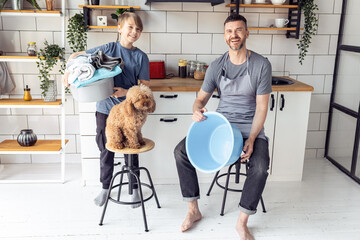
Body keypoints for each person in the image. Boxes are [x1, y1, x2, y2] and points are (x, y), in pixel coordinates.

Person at [174, 14, 272, 240]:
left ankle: (242, 223)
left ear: (247, 33)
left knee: (260, 167)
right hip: (222, 126)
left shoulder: (261, 65)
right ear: (224, 36)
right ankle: (193, 210)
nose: (234, 35)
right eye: (229, 31)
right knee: (180, 151)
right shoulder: (217, 66)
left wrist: (251, 139)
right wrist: (196, 110)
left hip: (251, 127)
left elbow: (261, 108)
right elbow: (200, 100)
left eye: (238, 30)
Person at [62, 12, 150, 207]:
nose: (134, 32)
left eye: (138, 29)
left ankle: (134, 189)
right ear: (119, 28)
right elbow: (78, 57)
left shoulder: (141, 57)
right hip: (105, 108)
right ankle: (105, 188)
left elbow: (144, 87)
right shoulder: (108, 48)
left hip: (129, 111)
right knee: (105, 148)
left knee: (131, 149)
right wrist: (69, 70)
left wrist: (127, 92)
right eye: (130, 27)